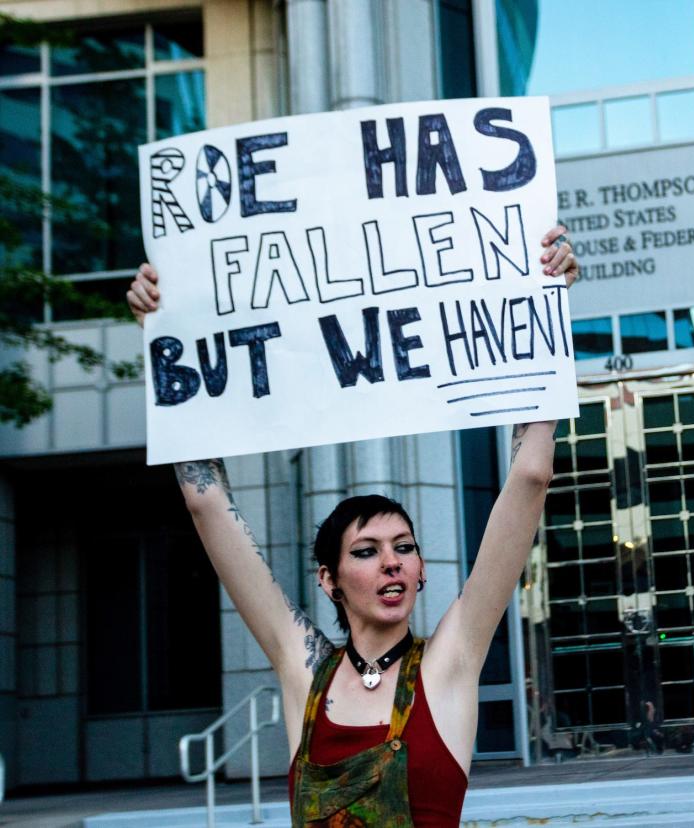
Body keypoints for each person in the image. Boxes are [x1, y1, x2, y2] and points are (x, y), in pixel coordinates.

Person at [127, 226, 578, 827]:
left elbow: (529, 475)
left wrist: (545, 309)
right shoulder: (303, 669)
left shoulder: (452, 660)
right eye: (366, 551)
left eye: (405, 548)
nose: (393, 561)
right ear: (330, 580)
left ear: (420, 573)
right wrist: (166, 333)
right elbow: (207, 505)